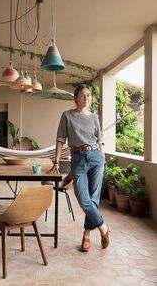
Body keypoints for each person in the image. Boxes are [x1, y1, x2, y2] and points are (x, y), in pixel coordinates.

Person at [50, 84, 110, 252]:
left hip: (96, 158)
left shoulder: (94, 117)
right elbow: (60, 139)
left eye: (88, 95)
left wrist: (102, 154)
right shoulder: (67, 115)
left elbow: (100, 138)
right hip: (78, 159)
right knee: (84, 199)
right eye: (82, 95)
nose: (86, 98)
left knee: (94, 198)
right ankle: (103, 227)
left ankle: (86, 235)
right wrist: (55, 161)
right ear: (75, 98)